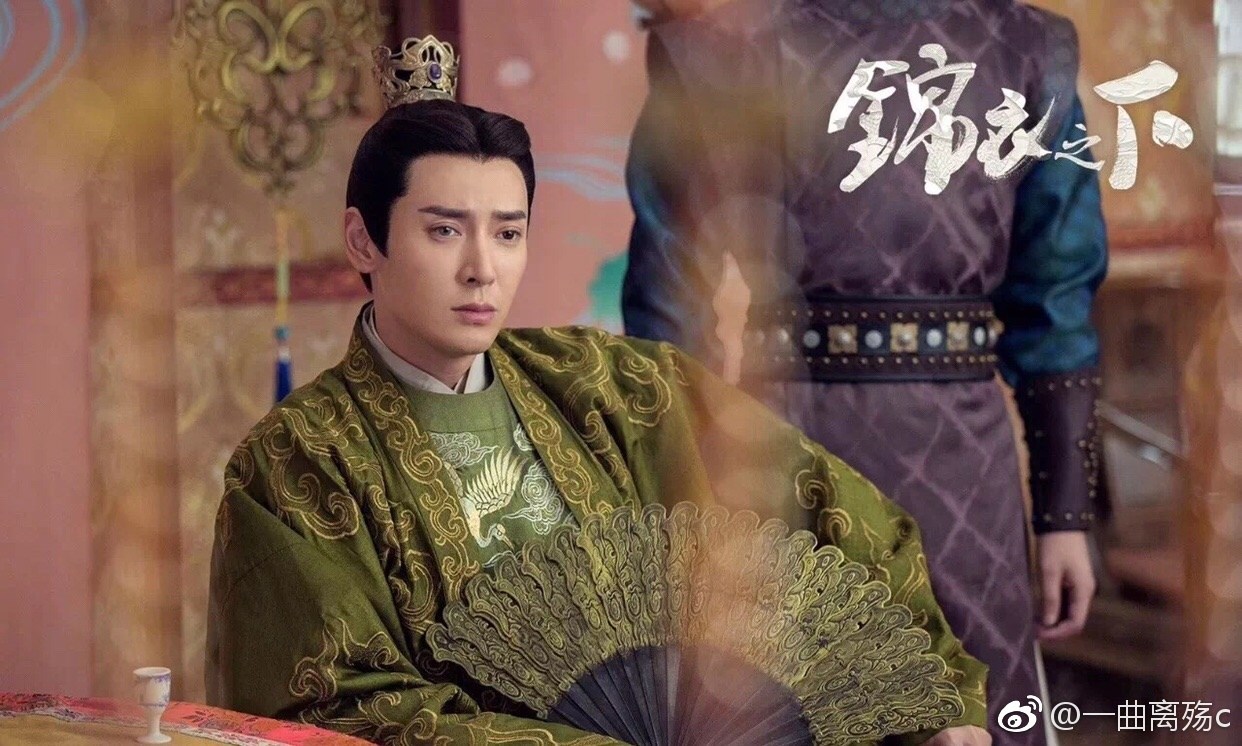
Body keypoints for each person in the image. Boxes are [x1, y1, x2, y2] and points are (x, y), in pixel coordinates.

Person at [207, 35, 992, 746]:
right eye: (444, 230)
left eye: (508, 233)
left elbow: (838, 515)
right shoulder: (298, 462)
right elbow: (335, 705)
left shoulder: (616, 388)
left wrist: (937, 707)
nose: (482, 269)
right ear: (363, 239)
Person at [623, 2, 1106, 744]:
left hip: (953, 470)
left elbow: (1055, 290)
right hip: (787, 450)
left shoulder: (1024, 46)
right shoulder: (716, 43)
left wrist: (1064, 516)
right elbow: (669, 300)